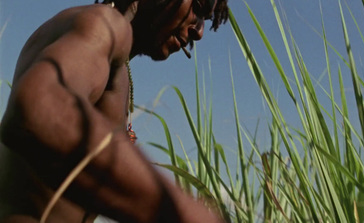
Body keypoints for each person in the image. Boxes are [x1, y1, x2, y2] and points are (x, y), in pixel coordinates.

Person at [0, 0, 228, 222]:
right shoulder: (102, 23)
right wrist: (187, 214)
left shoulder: (111, 57)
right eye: (199, 7)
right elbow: (43, 108)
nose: (199, 31)